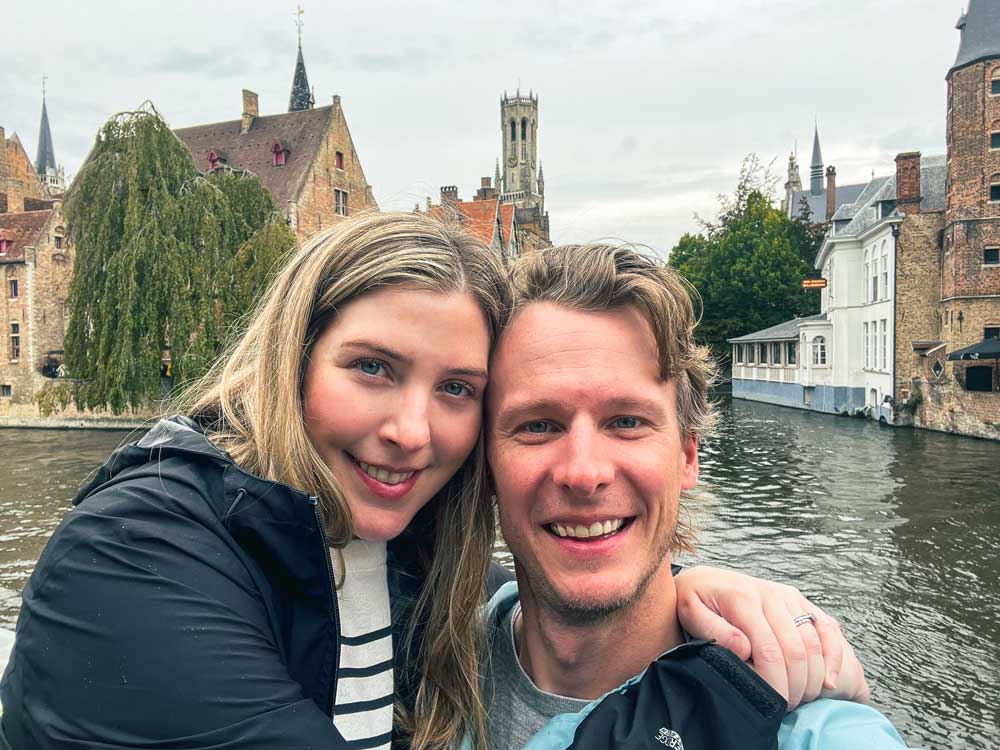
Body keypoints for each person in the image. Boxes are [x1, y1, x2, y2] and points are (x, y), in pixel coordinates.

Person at [1, 213, 864, 750]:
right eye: (372, 367)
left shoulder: (408, 566)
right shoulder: (140, 552)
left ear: (687, 454)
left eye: (457, 389)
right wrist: (709, 699)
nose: (413, 431)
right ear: (289, 364)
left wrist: (681, 587)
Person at [481, 243, 907, 749]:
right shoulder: (425, 651)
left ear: (687, 456)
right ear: (482, 462)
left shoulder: (805, 732)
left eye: (626, 422)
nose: (584, 472)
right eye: (537, 425)